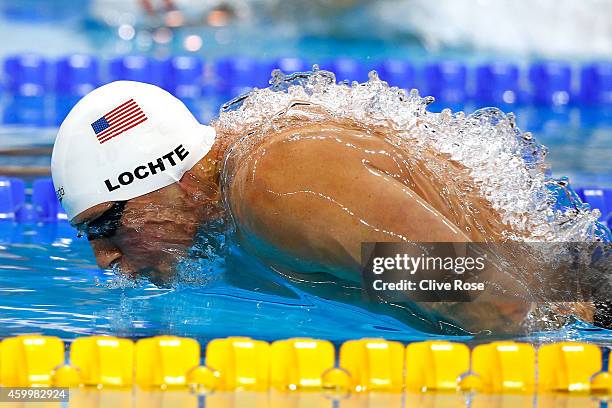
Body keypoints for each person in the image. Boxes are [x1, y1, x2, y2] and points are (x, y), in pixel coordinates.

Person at [51, 79, 595, 335]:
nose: (104, 258)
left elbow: (495, 298)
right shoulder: (226, 212)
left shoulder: (278, 188)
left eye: (109, 224)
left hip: (591, 311)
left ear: (177, 180)